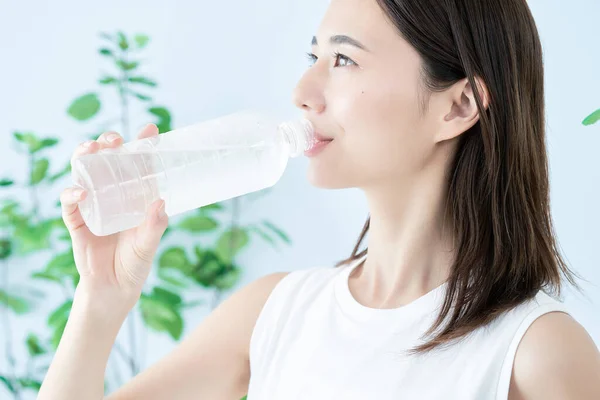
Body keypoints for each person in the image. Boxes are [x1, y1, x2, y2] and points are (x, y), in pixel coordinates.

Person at [38, 0, 600, 399]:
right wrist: (100, 300)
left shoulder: (536, 354)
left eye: (345, 60)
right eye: (314, 57)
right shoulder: (273, 314)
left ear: (457, 107)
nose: (303, 93)